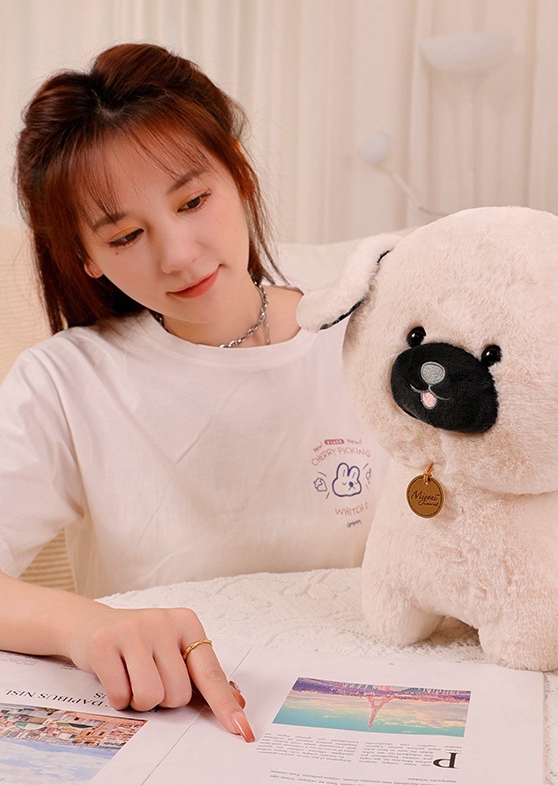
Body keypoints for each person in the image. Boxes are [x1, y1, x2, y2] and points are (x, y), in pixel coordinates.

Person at [0, 43, 386, 742]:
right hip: (173, 721)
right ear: (85, 257)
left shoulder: (374, 336)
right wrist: (83, 625)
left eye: (194, 201)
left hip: (369, 710)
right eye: (126, 236)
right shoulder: (66, 380)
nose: (178, 255)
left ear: (238, 173)